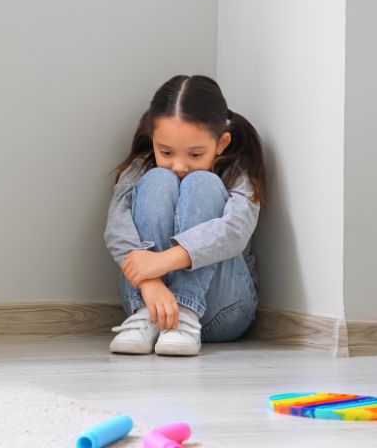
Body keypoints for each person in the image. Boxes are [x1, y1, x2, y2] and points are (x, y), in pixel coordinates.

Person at [104, 75, 266, 356]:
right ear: (153, 139)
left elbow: (235, 231)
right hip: (148, 301)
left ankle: (186, 313)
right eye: (165, 151)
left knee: (201, 182)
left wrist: (162, 261)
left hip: (223, 310)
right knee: (158, 179)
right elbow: (116, 229)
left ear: (221, 143)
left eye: (195, 154)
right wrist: (149, 281)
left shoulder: (237, 170)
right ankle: (147, 316)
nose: (179, 165)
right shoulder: (142, 168)